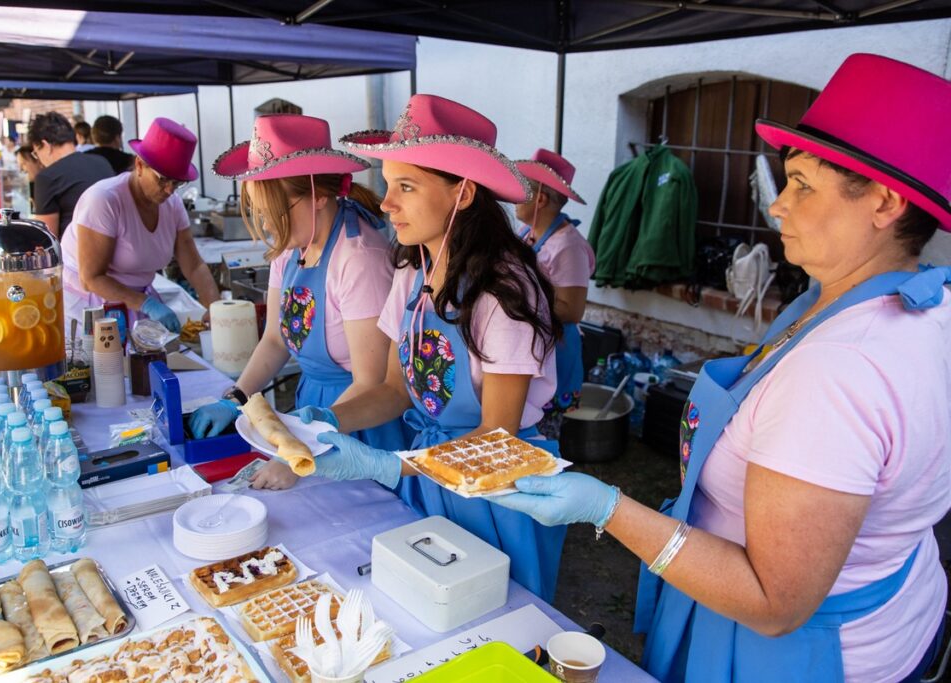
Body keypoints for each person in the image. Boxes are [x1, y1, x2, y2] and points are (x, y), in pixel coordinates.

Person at [486, 54, 951, 682]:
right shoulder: (918, 301)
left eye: (803, 185)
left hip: (795, 655)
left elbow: (772, 600)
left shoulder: (839, 370)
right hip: (896, 605)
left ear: (885, 202)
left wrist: (607, 508)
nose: (778, 206)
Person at [294, 95, 566, 602]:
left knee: (486, 613)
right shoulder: (414, 270)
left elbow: (496, 434)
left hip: (494, 488)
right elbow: (394, 389)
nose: (386, 203)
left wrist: (390, 465)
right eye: (387, 184)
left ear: (462, 192)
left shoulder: (505, 290)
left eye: (406, 186)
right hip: (429, 469)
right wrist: (327, 421)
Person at [189, 114, 408, 490]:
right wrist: (236, 398)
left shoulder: (359, 259)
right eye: (258, 212)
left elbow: (371, 382)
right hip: (313, 411)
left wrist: (301, 449)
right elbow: (275, 340)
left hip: (357, 422)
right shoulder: (290, 247)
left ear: (317, 195)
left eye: (272, 211)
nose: (265, 224)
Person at [60, 117, 217, 333]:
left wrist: (216, 307)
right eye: (162, 179)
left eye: (177, 182)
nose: (169, 190)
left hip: (135, 301)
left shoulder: (173, 205)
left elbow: (194, 265)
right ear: (140, 165)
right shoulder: (104, 200)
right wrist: (146, 304)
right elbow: (91, 278)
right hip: (89, 305)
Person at [513, 149, 594, 439]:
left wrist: (516, 304)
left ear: (540, 200)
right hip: (531, 343)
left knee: (542, 433)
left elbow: (572, 310)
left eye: (521, 192)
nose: (514, 198)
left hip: (555, 351)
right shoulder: (526, 232)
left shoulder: (568, 246)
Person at [27, 112, 113, 238]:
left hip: (77, 248)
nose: (39, 160)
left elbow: (47, 238)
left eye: (36, 153)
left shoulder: (47, 177)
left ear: (45, 145)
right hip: (115, 244)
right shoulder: (102, 162)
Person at [15, 144, 43, 212]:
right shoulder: (28, 188)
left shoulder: (48, 185)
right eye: (19, 165)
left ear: (38, 160)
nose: (21, 170)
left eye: (23, 164)